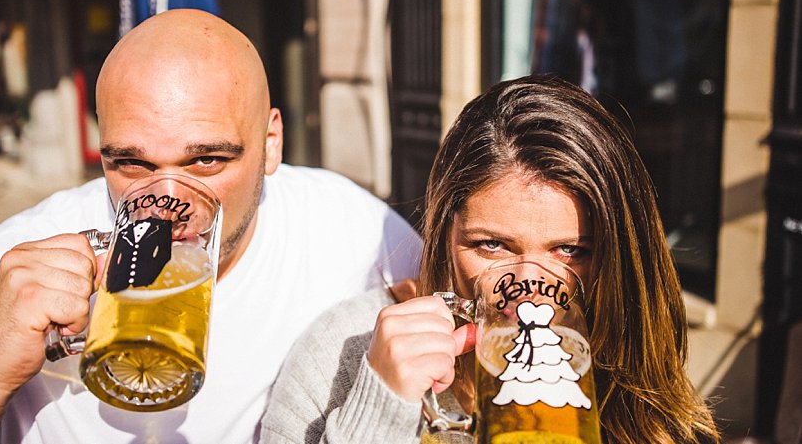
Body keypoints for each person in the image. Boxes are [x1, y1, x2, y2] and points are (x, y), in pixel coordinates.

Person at [0, 9, 422, 444]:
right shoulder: (14, 262)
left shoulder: (357, 232)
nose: (167, 202)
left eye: (206, 161)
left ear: (270, 144)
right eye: (132, 164)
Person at [260, 74, 720, 444]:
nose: (526, 295)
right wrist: (379, 409)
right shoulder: (342, 353)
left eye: (570, 251)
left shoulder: (623, 364)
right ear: (445, 231)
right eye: (492, 246)